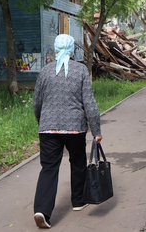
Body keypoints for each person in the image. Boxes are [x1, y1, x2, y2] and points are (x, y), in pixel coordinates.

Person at [32, 34, 103, 229]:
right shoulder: (80, 70)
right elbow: (89, 103)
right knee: (78, 161)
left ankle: (42, 211)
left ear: (55, 50)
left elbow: (37, 103)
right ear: (72, 50)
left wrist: (43, 123)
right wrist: (96, 130)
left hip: (48, 128)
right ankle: (78, 201)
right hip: (74, 128)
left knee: (49, 168)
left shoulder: (45, 72)